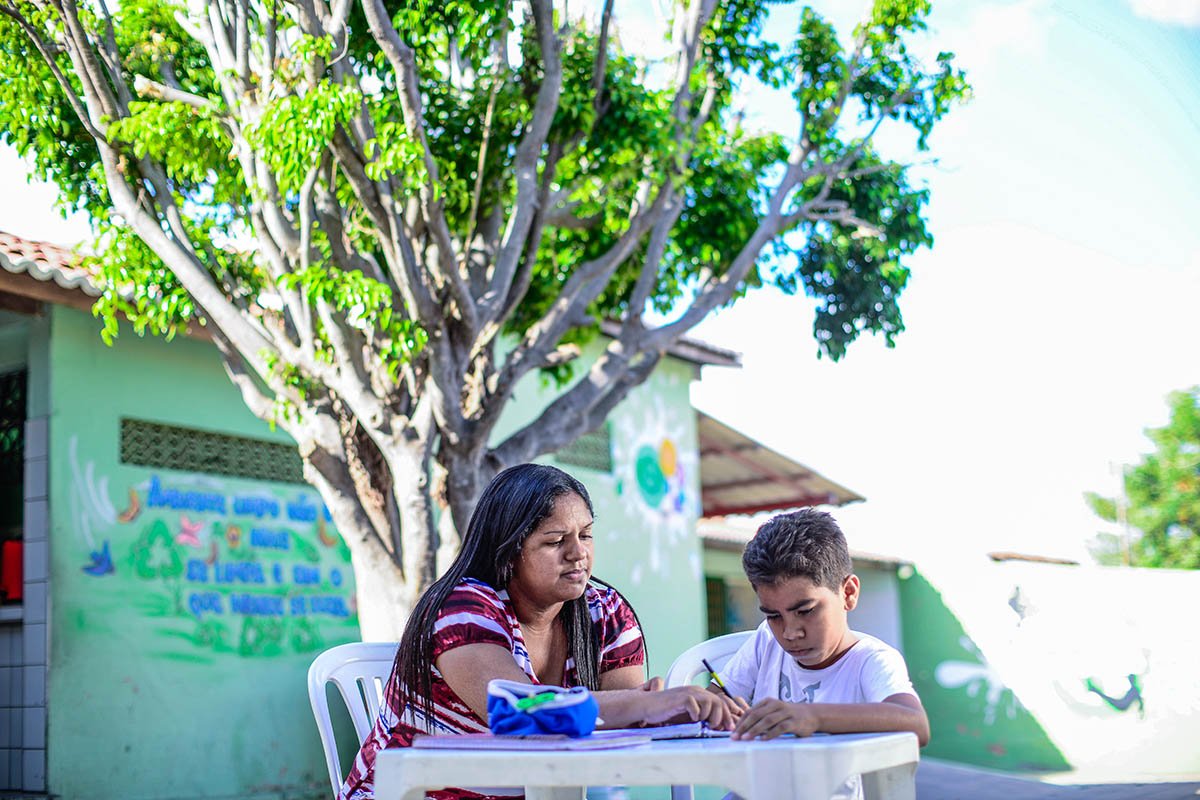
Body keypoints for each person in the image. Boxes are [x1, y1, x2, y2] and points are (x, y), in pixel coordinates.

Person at [340, 463, 742, 800]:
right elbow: (517, 712)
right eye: (555, 541)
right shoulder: (462, 609)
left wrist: (680, 709)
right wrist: (643, 705)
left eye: (585, 535)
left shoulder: (606, 614)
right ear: (509, 550)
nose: (578, 553)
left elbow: (625, 724)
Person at [713, 509, 929, 800]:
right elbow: (717, 698)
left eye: (805, 611)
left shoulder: (871, 660)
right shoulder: (766, 640)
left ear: (848, 593)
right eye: (774, 615)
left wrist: (811, 716)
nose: (790, 632)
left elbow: (915, 724)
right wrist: (708, 705)